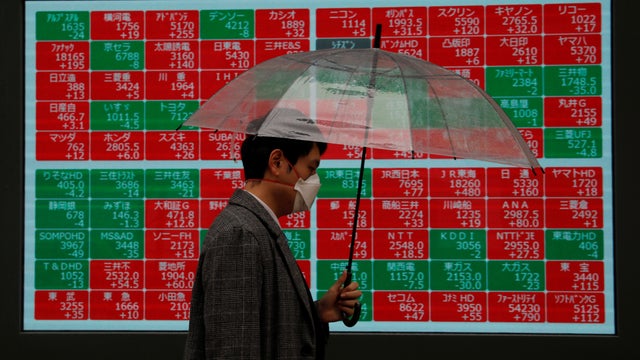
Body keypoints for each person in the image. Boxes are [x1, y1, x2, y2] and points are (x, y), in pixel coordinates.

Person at [183, 114, 362, 360]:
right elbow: (235, 350)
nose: (314, 181)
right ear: (277, 162)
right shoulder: (240, 235)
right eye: (311, 168)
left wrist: (317, 312)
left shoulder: (257, 227)